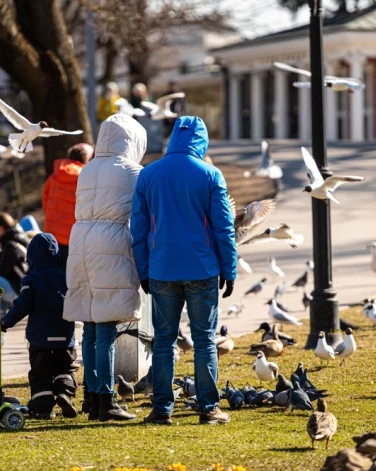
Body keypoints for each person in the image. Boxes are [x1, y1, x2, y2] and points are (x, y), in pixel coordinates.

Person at [131, 116, 237, 425]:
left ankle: (162, 408)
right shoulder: (210, 175)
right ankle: (208, 408)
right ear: (201, 141)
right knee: (204, 339)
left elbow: (138, 228)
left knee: (164, 340)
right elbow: (224, 228)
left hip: (162, 269)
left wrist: (143, 270)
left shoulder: (149, 175)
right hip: (202, 268)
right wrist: (228, 269)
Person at [64, 114, 146, 422]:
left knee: (89, 324)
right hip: (111, 243)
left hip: (81, 241)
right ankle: (107, 399)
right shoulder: (133, 171)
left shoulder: (88, 169)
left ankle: (92, 395)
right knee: (108, 327)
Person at [1, 232, 77, 420]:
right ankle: (64, 393)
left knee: (40, 373)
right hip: (64, 336)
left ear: (31, 257)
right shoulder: (66, 277)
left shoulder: (31, 279)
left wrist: (5, 322)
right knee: (64, 369)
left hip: (39, 338)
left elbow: (22, 305)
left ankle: (43, 408)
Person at [42, 143, 94, 270]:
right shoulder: (85, 179)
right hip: (74, 238)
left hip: (52, 235)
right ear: (86, 160)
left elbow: (45, 202)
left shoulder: (53, 177)